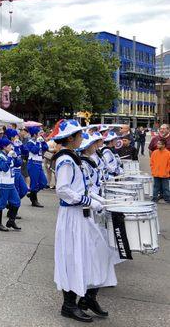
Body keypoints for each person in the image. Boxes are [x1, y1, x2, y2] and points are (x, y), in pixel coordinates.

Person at [50, 119, 116, 322]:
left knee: (99, 254)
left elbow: (82, 187)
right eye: (79, 135)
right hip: (73, 215)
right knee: (73, 258)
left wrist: (100, 200)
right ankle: (69, 305)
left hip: (82, 214)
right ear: (70, 138)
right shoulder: (65, 160)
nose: (82, 139)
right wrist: (89, 201)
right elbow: (63, 190)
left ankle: (87, 298)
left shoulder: (73, 157)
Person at [0, 136, 21, 231]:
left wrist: (16, 156)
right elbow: (4, 168)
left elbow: (18, 164)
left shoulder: (9, 154)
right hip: (3, 184)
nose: (11, 146)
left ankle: (11, 221)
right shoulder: (0, 157)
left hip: (10, 183)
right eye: (9, 145)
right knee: (1, 204)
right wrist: (9, 157)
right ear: (4, 147)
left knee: (16, 202)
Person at [5, 129, 28, 218]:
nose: (17, 137)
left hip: (19, 171)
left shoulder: (17, 144)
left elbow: (26, 152)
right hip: (13, 171)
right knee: (17, 191)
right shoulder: (8, 146)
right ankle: (13, 211)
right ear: (12, 137)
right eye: (15, 136)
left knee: (24, 189)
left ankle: (11, 205)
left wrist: (21, 145)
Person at [26, 126, 48, 207]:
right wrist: (38, 143)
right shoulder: (30, 142)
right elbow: (34, 151)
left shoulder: (40, 140)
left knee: (44, 182)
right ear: (35, 134)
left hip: (39, 163)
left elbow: (46, 148)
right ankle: (34, 200)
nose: (41, 134)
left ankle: (32, 193)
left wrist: (43, 142)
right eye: (39, 133)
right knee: (34, 183)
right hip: (33, 163)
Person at [150, 139, 170, 203]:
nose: (157, 145)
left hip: (165, 175)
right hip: (156, 174)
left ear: (164, 145)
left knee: (165, 188)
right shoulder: (154, 152)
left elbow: (169, 164)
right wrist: (153, 170)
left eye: (159, 144)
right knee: (156, 187)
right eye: (157, 143)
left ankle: (167, 199)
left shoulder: (168, 153)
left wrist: (166, 172)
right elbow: (151, 163)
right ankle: (154, 199)